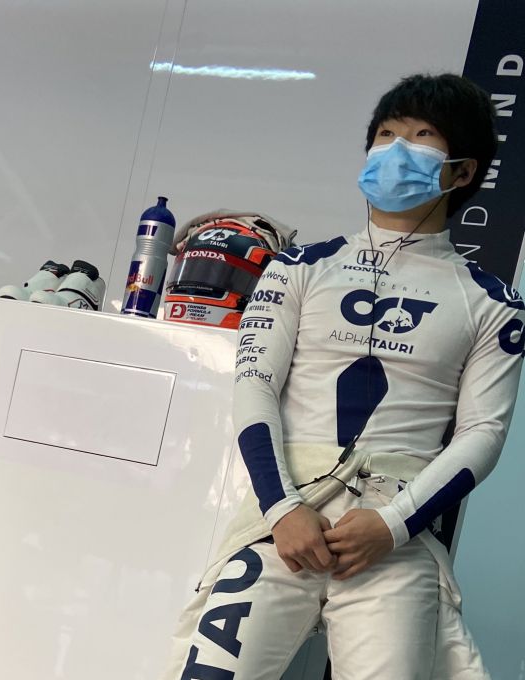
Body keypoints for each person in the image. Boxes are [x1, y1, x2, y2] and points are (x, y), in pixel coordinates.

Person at [161, 73, 525, 680]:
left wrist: (393, 524)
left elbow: (483, 433)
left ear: (463, 172)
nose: (396, 150)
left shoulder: (493, 303)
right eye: (386, 135)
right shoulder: (297, 267)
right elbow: (254, 386)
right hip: (283, 518)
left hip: (392, 530)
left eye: (421, 137)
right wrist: (282, 508)